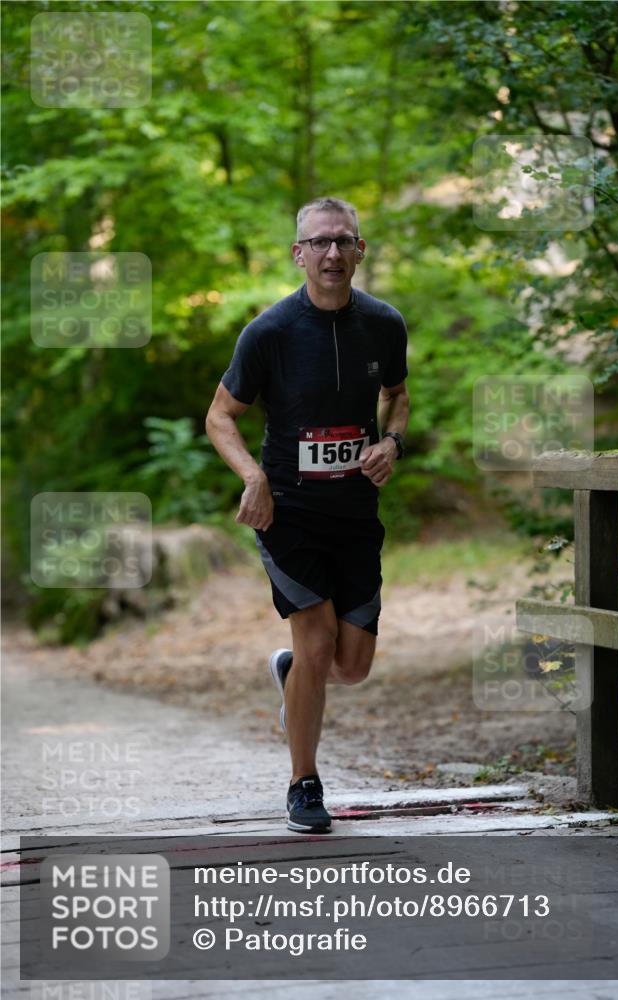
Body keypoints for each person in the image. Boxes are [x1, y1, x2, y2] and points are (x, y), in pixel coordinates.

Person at [205, 196, 409, 833]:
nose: (331, 253)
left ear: (359, 250)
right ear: (299, 254)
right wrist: (253, 475)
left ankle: (294, 673)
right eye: (319, 243)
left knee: (352, 665)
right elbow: (219, 417)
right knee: (317, 639)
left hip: (355, 515)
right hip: (287, 512)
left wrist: (391, 442)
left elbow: (397, 396)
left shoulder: (383, 323)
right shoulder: (268, 332)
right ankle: (304, 784)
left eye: (343, 241)